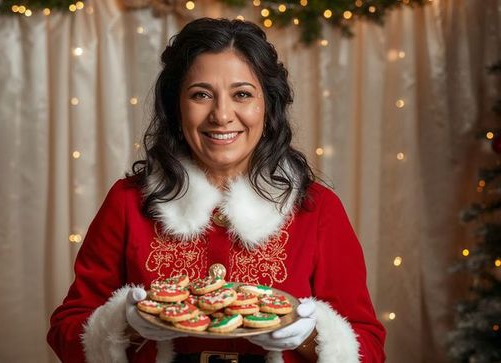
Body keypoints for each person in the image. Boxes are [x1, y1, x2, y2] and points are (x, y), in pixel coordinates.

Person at [47, 18, 386, 363]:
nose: (222, 115)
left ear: (267, 107)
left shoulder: (317, 209)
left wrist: (312, 336)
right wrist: (125, 323)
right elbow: (66, 329)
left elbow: (369, 347)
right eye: (201, 95)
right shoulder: (128, 202)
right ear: (176, 107)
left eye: (241, 94)